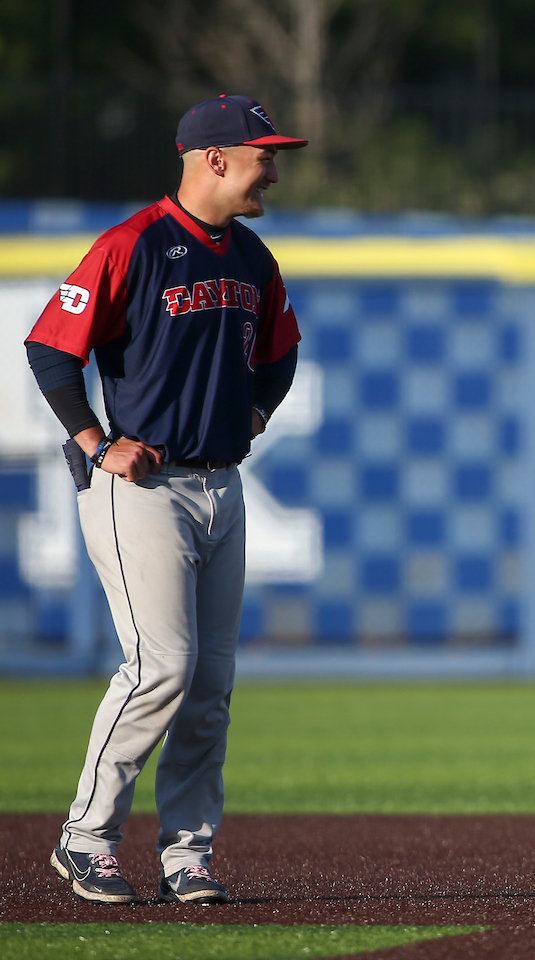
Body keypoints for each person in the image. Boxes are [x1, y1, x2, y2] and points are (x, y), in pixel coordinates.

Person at [26, 95, 306, 904]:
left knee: (210, 684)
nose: (274, 170)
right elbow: (51, 348)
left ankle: (188, 853)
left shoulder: (252, 258)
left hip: (223, 484)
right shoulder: (133, 246)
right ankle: (86, 837)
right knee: (164, 667)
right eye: (264, 156)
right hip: (141, 489)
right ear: (214, 159)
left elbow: (281, 355)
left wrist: (257, 409)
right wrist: (92, 440)